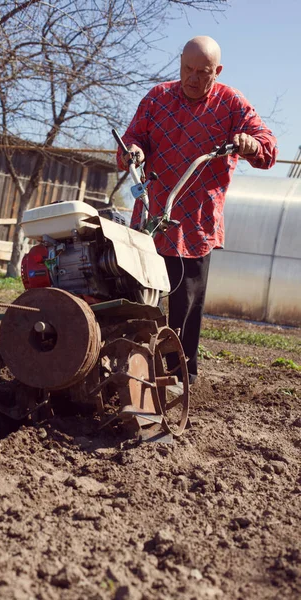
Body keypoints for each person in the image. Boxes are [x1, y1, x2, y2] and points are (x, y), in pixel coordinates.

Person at [117, 35, 278, 384]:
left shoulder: (232, 103)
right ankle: (125, 368)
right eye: (186, 69)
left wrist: (251, 144)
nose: (191, 77)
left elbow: (267, 146)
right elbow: (134, 138)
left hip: (195, 223)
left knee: (183, 308)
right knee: (133, 297)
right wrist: (135, 151)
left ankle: (178, 380)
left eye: (201, 72)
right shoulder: (158, 97)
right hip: (151, 215)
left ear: (216, 71)